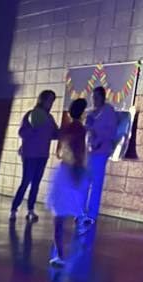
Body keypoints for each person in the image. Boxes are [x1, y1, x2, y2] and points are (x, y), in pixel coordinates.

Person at [46, 98, 88, 268]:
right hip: (73, 171)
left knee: (59, 217)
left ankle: (61, 255)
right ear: (83, 113)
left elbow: (62, 152)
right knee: (66, 212)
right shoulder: (81, 130)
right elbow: (79, 152)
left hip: (64, 171)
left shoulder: (68, 129)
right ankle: (63, 253)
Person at [10, 89, 59, 223]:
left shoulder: (49, 118)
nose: (51, 103)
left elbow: (55, 134)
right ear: (42, 100)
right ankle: (14, 209)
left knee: (36, 183)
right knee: (26, 181)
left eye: (52, 101)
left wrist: (66, 131)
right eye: (49, 100)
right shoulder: (32, 114)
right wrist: (33, 129)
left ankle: (30, 210)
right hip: (30, 154)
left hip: (42, 155)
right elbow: (22, 132)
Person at [81, 85, 118, 227]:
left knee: (96, 184)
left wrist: (99, 139)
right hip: (88, 152)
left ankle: (91, 215)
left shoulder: (109, 111)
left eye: (97, 97)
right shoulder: (90, 113)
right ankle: (80, 213)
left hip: (101, 152)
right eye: (93, 97)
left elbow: (111, 132)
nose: (94, 100)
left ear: (103, 97)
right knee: (84, 183)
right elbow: (86, 130)